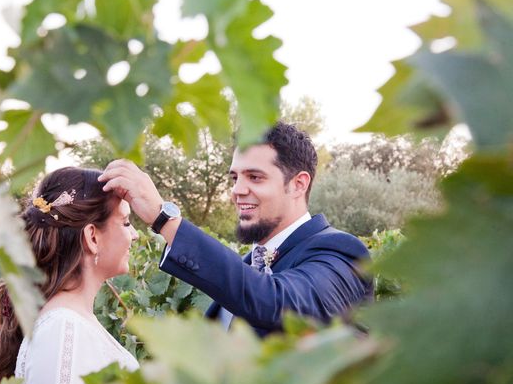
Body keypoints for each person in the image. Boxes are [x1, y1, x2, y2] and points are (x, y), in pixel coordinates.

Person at [99, 122, 373, 337]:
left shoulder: (341, 254)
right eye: (234, 178)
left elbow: (277, 303)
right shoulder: (245, 268)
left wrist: (164, 219)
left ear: (299, 184)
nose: (237, 191)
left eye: (254, 177)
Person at [0, 167, 140, 384]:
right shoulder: (63, 329)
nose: (134, 235)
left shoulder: (70, 322)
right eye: (125, 222)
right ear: (92, 237)